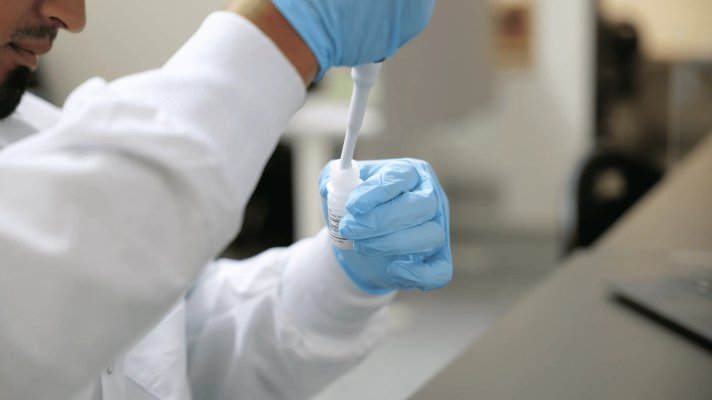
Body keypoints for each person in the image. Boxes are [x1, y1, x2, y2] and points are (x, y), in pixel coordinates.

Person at [0, 0, 452, 398]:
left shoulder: (29, 129)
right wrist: (281, 32)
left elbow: (162, 350)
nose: (72, 15)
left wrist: (338, 280)